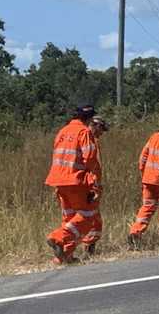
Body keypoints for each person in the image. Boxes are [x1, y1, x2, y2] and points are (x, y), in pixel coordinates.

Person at [45, 104, 100, 264]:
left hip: (58, 180)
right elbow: (90, 158)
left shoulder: (62, 132)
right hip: (75, 180)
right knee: (87, 217)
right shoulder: (84, 132)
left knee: (70, 218)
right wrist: (93, 183)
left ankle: (64, 256)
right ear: (89, 118)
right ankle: (57, 238)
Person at [80, 115, 110, 256]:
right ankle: (88, 249)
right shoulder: (90, 140)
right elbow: (92, 165)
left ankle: (86, 248)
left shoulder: (84, 138)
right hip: (90, 184)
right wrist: (95, 185)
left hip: (85, 184)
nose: (102, 133)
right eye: (101, 129)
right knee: (93, 219)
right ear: (96, 126)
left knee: (87, 217)